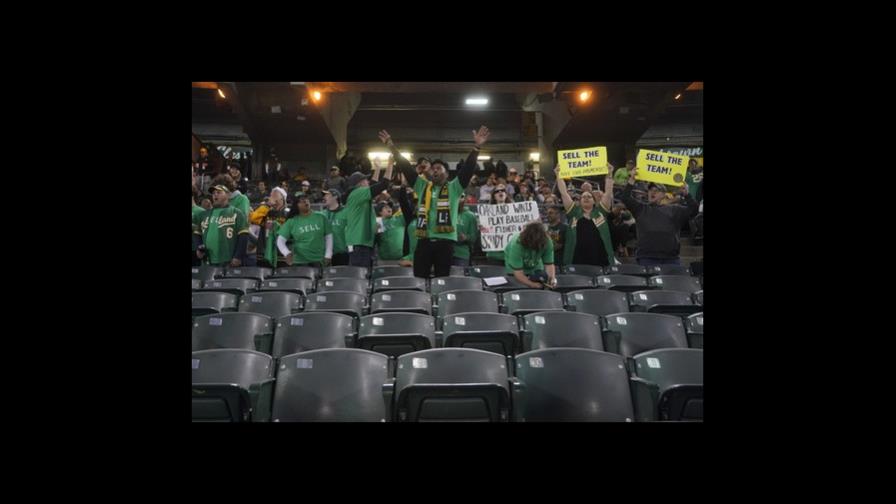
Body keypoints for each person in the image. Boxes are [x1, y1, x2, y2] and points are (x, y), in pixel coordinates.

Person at [379, 125, 490, 278]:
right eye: (433, 168)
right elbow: (406, 167)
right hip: (424, 241)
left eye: (439, 168)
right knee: (419, 279)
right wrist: (391, 146)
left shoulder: (454, 187)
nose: (435, 170)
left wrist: (477, 147)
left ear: (447, 173)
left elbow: (467, 169)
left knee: (442, 280)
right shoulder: (422, 186)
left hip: (445, 243)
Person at [620, 167, 699, 266]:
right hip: (646, 258)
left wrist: (687, 194)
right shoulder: (640, 209)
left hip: (671, 259)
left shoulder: (675, 210)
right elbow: (625, 198)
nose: (652, 192)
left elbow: (694, 210)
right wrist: (631, 179)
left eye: (656, 190)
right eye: (650, 190)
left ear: (663, 194)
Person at [556, 163, 617, 268]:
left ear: (594, 201)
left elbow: (608, 193)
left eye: (589, 196)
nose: (586, 198)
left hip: (600, 259)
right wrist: (558, 175)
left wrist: (609, 174)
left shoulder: (601, 212)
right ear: (579, 202)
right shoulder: (574, 212)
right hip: (577, 259)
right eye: (583, 197)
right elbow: (564, 193)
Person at [343, 157, 394, 269]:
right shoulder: (357, 193)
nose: (368, 182)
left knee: (363, 275)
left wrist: (377, 168)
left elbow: (374, 185)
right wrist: (390, 164)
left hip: (361, 242)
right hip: (359, 243)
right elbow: (383, 185)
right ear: (360, 183)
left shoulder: (359, 195)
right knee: (360, 275)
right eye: (366, 180)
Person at [193, 183, 250, 267]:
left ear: (227, 195)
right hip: (208, 261)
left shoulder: (236, 213)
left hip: (229, 261)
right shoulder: (204, 214)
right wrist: (199, 248)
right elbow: (197, 233)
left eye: (219, 192)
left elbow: (243, 236)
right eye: (213, 193)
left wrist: (238, 256)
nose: (215, 195)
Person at [276, 193, 333, 267]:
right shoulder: (292, 221)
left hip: (320, 260)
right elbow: (280, 240)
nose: (306, 202)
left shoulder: (321, 217)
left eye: (306, 200)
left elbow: (329, 237)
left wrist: (328, 255)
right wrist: (287, 253)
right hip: (299, 262)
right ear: (296, 205)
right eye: (302, 201)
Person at [504, 221, 557, 289]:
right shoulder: (517, 243)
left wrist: (551, 280)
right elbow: (518, 272)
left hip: (535, 266)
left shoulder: (548, 242)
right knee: (521, 286)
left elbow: (549, 265)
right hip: (515, 269)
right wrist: (532, 284)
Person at [250, 187, 290, 268]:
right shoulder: (266, 210)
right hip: (264, 253)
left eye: (275, 195)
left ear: (282, 198)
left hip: (281, 255)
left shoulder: (288, 213)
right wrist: (267, 205)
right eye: (271, 195)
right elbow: (253, 218)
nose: (271, 197)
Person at [483, 183, 510, 265]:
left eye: (503, 190)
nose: (500, 192)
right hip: (493, 254)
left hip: (510, 253)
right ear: (494, 196)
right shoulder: (486, 212)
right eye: (497, 191)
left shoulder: (515, 211)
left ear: (506, 194)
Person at [321, 188, 349, 266]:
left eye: (327, 195)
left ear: (335, 197)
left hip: (342, 253)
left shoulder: (346, 212)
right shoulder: (322, 214)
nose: (324, 197)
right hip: (324, 254)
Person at [452, 198, 479, 267]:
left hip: (462, 253)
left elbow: (474, 237)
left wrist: (466, 237)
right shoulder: (447, 212)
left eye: (461, 197)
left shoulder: (470, 215)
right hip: (445, 252)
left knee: (460, 277)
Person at [546, 205, 569, 272]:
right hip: (548, 262)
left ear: (558, 214)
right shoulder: (546, 229)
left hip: (559, 264)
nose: (548, 215)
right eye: (547, 213)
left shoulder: (564, 228)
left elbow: (558, 245)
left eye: (550, 213)